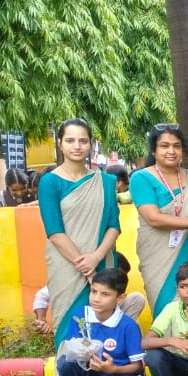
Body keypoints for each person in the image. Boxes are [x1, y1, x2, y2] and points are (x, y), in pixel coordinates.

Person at [38, 119, 122, 347]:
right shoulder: (49, 182)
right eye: (70, 140)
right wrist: (86, 267)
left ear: (91, 144)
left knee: (103, 325)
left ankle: (103, 370)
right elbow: (54, 232)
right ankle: (68, 371)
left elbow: (114, 225)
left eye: (83, 141)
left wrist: (96, 258)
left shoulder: (105, 181)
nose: (77, 146)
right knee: (69, 324)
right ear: (59, 143)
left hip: (102, 260)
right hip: (65, 264)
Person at [51, 268, 146, 376]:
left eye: (105, 294)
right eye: (94, 291)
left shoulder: (128, 326)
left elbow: (138, 367)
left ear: (120, 298)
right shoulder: (80, 316)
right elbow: (73, 346)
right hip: (95, 374)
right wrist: (82, 352)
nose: (96, 298)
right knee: (66, 363)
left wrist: (113, 369)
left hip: (122, 375)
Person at [130, 124, 188, 316]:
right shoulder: (141, 178)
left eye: (177, 146)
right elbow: (153, 218)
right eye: (164, 146)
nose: (171, 151)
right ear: (154, 150)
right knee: (166, 312)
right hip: (157, 257)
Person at [31, 252, 146, 334]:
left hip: (109, 324)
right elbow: (42, 295)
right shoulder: (82, 277)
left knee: (137, 298)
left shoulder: (115, 289)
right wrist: (41, 320)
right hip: (83, 325)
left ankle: (119, 335)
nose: (119, 277)